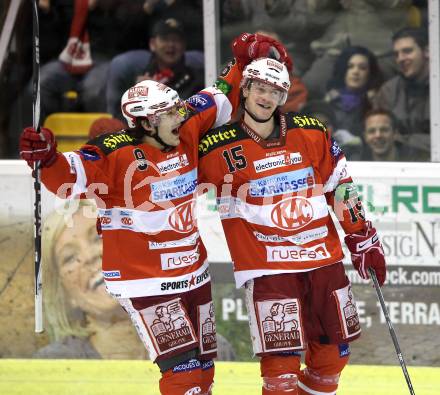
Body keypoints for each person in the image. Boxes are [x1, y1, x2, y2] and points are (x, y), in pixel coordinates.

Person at [19, 33, 290, 394]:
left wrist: (240, 62)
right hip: (145, 283)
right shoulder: (112, 153)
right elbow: (67, 177)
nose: (181, 115)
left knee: (204, 371)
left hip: (193, 274)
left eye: (178, 108)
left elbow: (220, 95)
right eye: (169, 114)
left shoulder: (186, 124)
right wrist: (47, 157)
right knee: (184, 378)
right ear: (146, 124)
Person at [198, 57, 387, 394]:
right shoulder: (215, 147)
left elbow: (340, 184)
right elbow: (172, 152)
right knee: (280, 372)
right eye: (259, 87)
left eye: (275, 91)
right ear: (245, 89)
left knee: (332, 359)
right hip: (267, 267)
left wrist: (361, 236)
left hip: (322, 260)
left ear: (283, 97)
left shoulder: (311, 131)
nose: (265, 97)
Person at [34, 200, 146, 359]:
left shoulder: (186, 338)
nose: (89, 256)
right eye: (70, 258)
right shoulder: (53, 365)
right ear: (65, 295)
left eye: (98, 237)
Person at [106, 18, 205, 121]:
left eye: (176, 40)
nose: (171, 45)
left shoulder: (197, 79)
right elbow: (119, 117)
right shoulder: (139, 77)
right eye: (165, 39)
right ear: (152, 44)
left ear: (184, 46)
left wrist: (161, 95)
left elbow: (194, 114)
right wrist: (135, 98)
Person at [373, 27, 430, 153]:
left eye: (407, 51)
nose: (400, 58)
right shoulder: (389, 91)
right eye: (396, 54)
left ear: (427, 51)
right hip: (398, 165)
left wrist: (403, 140)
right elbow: (380, 137)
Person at [324, 46, 383, 141]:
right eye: (350, 67)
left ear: (370, 73)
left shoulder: (375, 102)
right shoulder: (330, 100)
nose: (355, 72)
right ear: (343, 70)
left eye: (362, 68)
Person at [360, 108, 429, 161]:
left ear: (395, 134)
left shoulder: (419, 160)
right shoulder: (354, 162)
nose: (378, 135)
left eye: (384, 130)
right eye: (372, 131)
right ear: (365, 137)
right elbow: (350, 180)